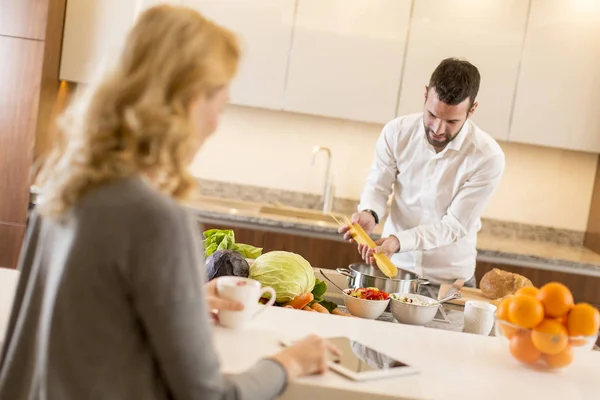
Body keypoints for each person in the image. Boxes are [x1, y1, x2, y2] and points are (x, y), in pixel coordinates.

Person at [0, 5, 338, 400]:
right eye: (220, 105)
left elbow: (50, 342)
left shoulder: (64, 187)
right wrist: (288, 363)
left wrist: (185, 303)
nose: (215, 124)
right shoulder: (156, 218)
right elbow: (207, 396)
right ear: (188, 102)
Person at [339, 58, 505, 289]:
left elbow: (453, 226)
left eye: (451, 121)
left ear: (472, 110)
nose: (438, 128)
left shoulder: (487, 157)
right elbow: (378, 186)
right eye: (432, 115)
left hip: (450, 281)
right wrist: (369, 213)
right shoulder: (397, 132)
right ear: (425, 94)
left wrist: (399, 241)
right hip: (396, 270)